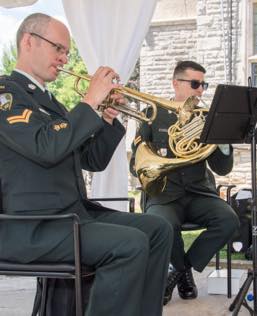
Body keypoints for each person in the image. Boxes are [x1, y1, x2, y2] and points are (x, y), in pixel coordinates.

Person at [0, 13, 172, 316]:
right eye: (58, 49)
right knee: (129, 244)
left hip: (70, 216)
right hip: (31, 227)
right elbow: (46, 147)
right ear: (29, 41)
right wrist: (90, 102)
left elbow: (92, 161)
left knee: (158, 228)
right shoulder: (7, 95)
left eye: (66, 51)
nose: (65, 59)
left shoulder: (49, 102)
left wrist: (106, 119)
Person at [130, 60, 240, 305]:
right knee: (162, 223)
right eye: (195, 84)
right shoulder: (153, 114)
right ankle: (182, 273)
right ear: (176, 83)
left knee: (229, 220)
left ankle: (179, 270)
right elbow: (136, 162)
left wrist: (223, 137)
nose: (200, 90)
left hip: (199, 192)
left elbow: (222, 168)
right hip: (164, 193)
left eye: (203, 85)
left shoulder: (206, 118)